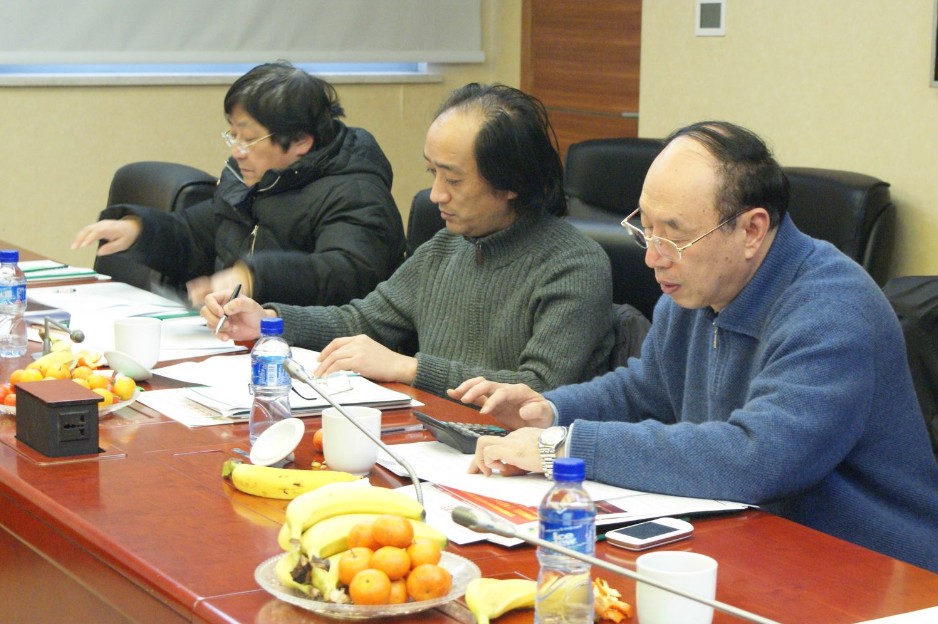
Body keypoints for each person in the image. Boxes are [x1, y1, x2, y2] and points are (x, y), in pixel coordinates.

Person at [450, 120, 938, 573]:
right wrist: (549, 410)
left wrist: (564, 448)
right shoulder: (696, 289)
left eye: (674, 236)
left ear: (751, 230)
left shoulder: (833, 310)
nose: (652, 256)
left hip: (874, 569)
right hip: (752, 539)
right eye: (646, 226)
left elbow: (756, 458)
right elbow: (647, 390)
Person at [200, 83, 615, 397]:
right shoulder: (445, 247)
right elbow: (361, 321)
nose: (436, 195)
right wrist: (267, 321)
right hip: (434, 438)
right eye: (432, 173)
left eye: (453, 179)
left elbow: (538, 390)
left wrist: (409, 369)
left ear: (510, 183)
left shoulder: (573, 265)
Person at [71, 60, 405, 308]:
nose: (236, 151)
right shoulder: (250, 176)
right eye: (233, 135)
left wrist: (255, 276)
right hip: (240, 339)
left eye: (249, 138)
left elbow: (345, 276)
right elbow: (198, 237)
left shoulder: (356, 193)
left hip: (317, 356)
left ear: (301, 141)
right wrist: (139, 230)